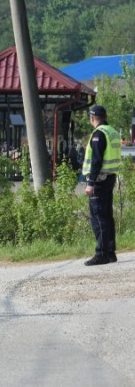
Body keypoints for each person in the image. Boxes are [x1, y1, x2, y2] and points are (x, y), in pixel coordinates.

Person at [81, 104, 122, 266]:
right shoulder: (113, 132)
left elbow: (96, 160)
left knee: (98, 217)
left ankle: (102, 254)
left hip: (99, 180)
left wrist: (90, 183)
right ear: (105, 116)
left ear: (92, 118)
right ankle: (110, 252)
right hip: (110, 177)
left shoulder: (99, 134)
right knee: (107, 216)